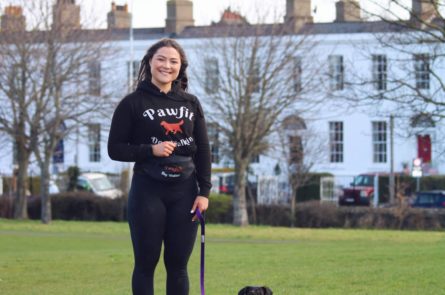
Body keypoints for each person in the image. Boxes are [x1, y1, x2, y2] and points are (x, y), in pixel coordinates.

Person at [108, 38, 211, 295]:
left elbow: (204, 149)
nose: (167, 65)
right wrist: (149, 150)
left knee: (178, 266)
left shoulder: (191, 103)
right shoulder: (132, 103)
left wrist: (204, 192)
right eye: (161, 59)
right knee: (145, 264)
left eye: (173, 61)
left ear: (181, 67)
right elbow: (115, 148)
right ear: (150, 63)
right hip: (148, 191)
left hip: (185, 193)